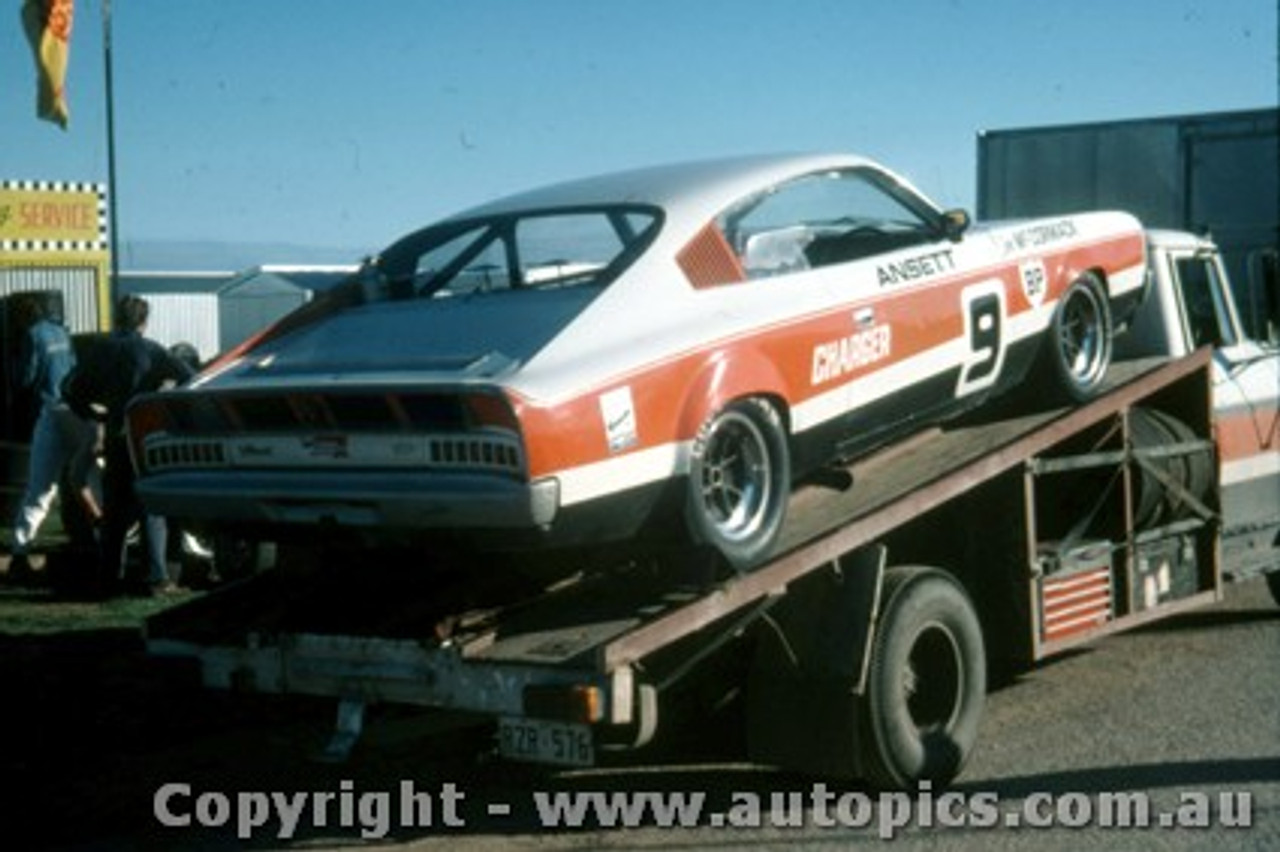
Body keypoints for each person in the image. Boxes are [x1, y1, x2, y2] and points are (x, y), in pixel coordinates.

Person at [63, 296, 194, 597]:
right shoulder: (151, 351)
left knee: (114, 508)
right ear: (143, 321)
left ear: (116, 317)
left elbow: (69, 388)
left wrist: (94, 413)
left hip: (113, 431)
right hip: (142, 433)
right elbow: (188, 375)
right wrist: (162, 399)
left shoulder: (98, 350)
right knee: (150, 505)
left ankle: (108, 578)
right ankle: (155, 578)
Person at [7, 294, 94, 582]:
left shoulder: (33, 335)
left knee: (39, 486)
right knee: (87, 476)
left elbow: (26, 378)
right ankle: (95, 538)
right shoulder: (62, 331)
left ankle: (20, 548)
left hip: (50, 411)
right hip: (75, 409)